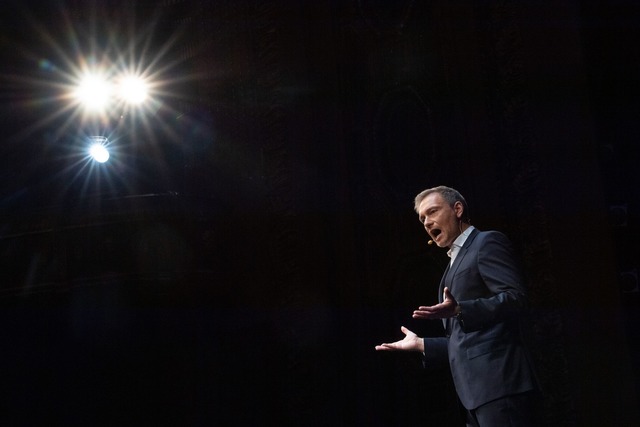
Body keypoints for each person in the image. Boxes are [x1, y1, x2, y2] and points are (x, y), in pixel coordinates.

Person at [375, 185, 539, 427]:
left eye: (432, 212)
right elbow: (465, 341)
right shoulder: (452, 265)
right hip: (475, 396)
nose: (427, 223)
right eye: (422, 219)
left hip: (501, 385)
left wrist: (462, 309)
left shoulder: (486, 243)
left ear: (458, 209)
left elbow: (516, 299)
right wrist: (422, 345)